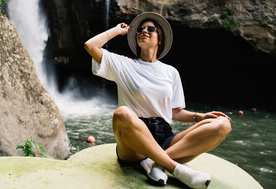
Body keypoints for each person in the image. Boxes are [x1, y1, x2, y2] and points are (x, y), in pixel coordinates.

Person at [84, 12, 232, 188]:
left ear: (160, 39)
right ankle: (176, 168)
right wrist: (117, 30)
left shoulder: (171, 72)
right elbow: (90, 45)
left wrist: (198, 117)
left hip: (165, 137)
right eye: (140, 29)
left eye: (150, 29)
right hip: (134, 140)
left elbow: (174, 112)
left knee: (223, 124)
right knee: (122, 113)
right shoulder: (123, 64)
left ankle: (156, 163)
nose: (143, 31)